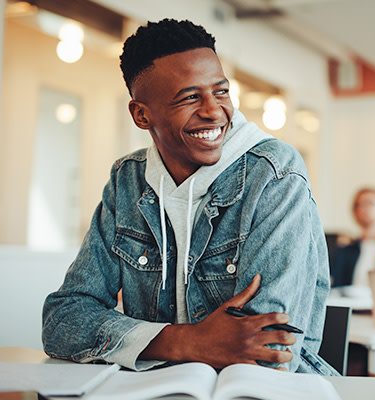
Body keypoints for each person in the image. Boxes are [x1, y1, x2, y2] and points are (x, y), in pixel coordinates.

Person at [42, 18, 337, 375]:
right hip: (156, 387)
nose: (214, 111)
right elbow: (63, 319)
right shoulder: (128, 180)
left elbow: (269, 351)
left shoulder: (274, 172)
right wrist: (187, 341)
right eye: (190, 97)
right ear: (141, 115)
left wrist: (147, 342)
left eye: (221, 91)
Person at [330, 187, 375, 290]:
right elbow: (337, 284)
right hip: (350, 303)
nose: (363, 208)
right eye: (358, 205)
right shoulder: (346, 249)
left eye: (370, 203)